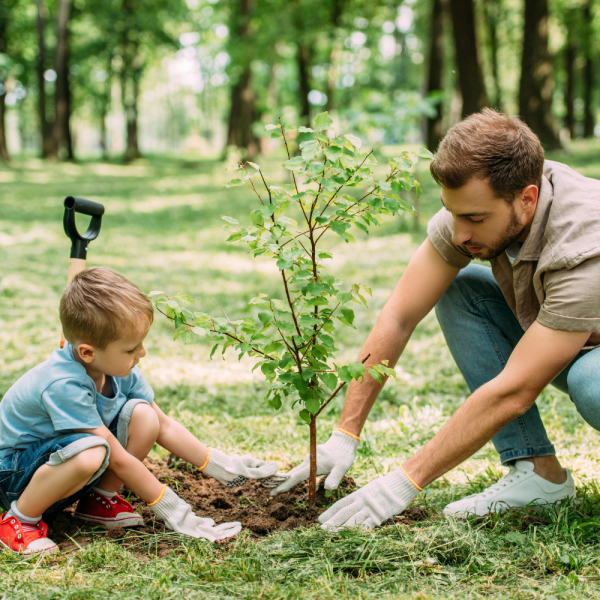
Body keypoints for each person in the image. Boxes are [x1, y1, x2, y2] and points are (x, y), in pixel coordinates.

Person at [273, 109, 600, 530]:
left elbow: (515, 390)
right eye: (453, 212)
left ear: (527, 198)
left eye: (475, 219)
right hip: (576, 335)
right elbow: (399, 315)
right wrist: (344, 433)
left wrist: (404, 482)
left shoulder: (584, 248)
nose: (459, 232)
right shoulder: (481, 204)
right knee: (461, 289)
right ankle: (538, 474)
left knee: (591, 383)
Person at [0, 267, 283, 556]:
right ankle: (19, 520)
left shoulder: (116, 368)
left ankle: (99, 501)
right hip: (14, 476)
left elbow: (164, 425)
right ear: (87, 352)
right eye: (131, 348)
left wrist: (224, 467)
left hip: (57, 465)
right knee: (93, 452)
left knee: (144, 417)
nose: (142, 353)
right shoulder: (63, 384)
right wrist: (176, 512)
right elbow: (119, 459)